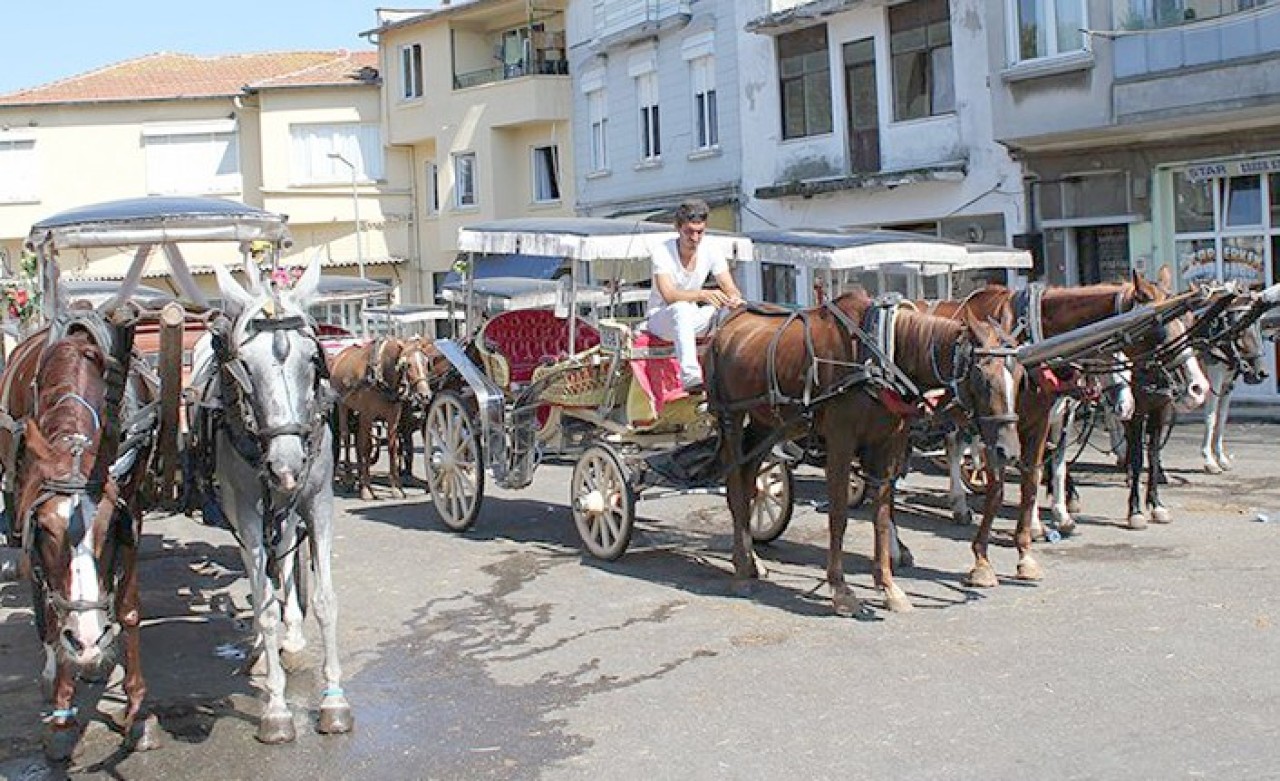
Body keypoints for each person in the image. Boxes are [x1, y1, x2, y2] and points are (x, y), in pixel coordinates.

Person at [645, 199, 744, 395]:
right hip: (661, 318)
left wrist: (733, 299)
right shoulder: (662, 251)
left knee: (731, 312)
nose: (695, 238)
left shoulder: (712, 249)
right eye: (689, 232)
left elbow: (730, 287)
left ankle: (735, 371)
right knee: (681, 309)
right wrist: (703, 294)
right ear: (678, 228)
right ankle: (690, 376)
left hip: (692, 318)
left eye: (700, 232)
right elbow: (669, 295)